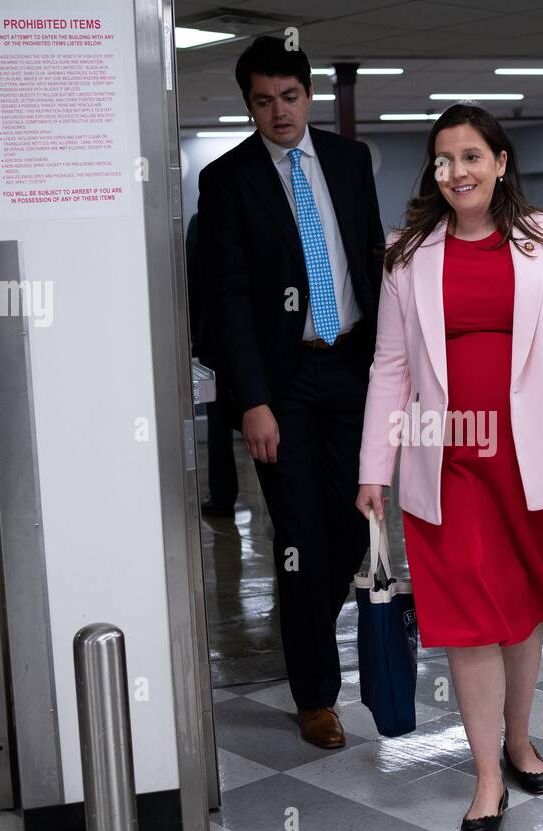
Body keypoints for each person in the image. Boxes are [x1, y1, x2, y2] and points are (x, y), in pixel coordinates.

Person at [356, 104, 543, 831]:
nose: (456, 171)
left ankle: (519, 738)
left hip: (532, 456)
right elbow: (391, 365)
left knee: (519, 609)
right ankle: (488, 774)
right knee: (467, 621)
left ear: (500, 162)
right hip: (446, 457)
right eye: (443, 160)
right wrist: (375, 467)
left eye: (470, 157)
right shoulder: (407, 252)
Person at [197, 36, 385, 748]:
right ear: (248, 104)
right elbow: (230, 299)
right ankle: (315, 693)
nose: (279, 112)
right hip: (284, 384)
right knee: (301, 534)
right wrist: (251, 400)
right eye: (263, 100)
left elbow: (371, 261)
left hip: (352, 367)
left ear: (310, 96)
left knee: (350, 523)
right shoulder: (228, 180)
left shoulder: (347, 162)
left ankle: (314, 620)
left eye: (290, 96)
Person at [185, 212, 239, 515]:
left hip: (212, 339)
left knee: (218, 421)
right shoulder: (253, 216)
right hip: (256, 339)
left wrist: (193, 334)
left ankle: (222, 496)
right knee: (273, 416)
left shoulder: (200, 222)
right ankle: (283, 500)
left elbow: (191, 279)